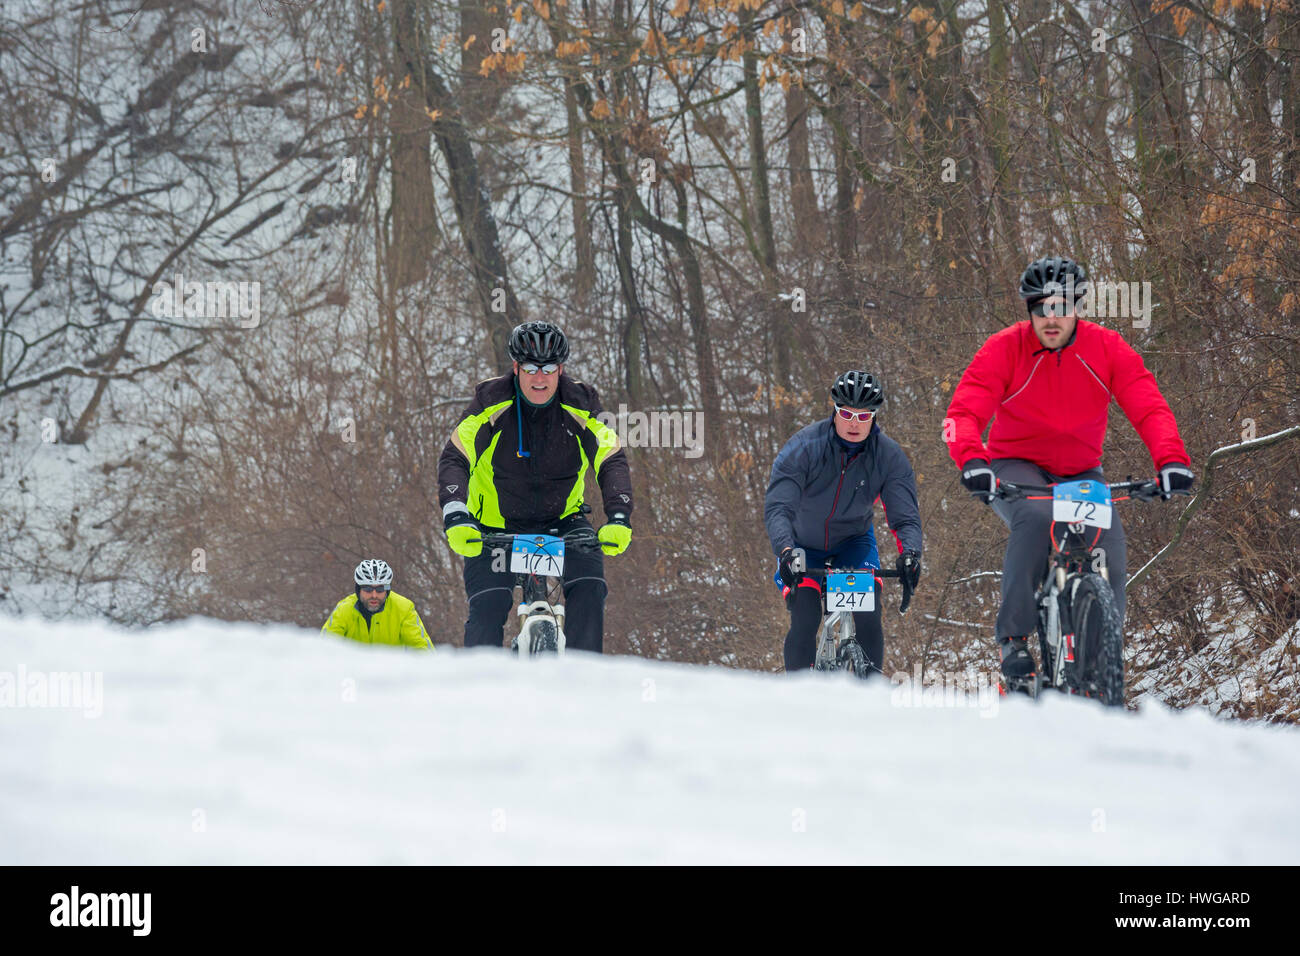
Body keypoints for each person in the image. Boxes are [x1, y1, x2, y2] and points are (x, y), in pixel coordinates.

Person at [944, 255, 1195, 680]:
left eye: (1061, 306)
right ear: (1030, 312)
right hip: (1014, 464)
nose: (1051, 318)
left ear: (1077, 306)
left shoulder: (1107, 348)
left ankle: (1103, 658)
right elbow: (963, 413)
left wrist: (1171, 461)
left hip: (1081, 472)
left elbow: (1148, 406)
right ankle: (1014, 641)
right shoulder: (1003, 348)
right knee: (1037, 517)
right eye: (1041, 308)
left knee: (1109, 550)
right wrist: (973, 461)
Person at [437, 321, 633, 653]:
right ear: (515, 368)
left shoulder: (580, 402)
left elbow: (610, 457)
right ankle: (476, 694)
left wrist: (618, 515)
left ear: (561, 369)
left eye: (548, 368)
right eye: (530, 368)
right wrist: (456, 513)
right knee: (489, 605)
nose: (539, 377)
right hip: (495, 528)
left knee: (589, 587)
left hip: (563, 523)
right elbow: (456, 457)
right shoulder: (491, 401)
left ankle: (583, 682)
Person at [764, 370, 923, 674]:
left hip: (854, 544)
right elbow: (778, 507)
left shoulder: (888, 457)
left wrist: (911, 555)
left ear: (874, 418)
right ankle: (800, 696)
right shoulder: (803, 448)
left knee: (868, 613)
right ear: (834, 411)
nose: (854, 423)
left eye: (864, 417)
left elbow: (905, 517)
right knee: (805, 616)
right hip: (802, 544)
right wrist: (785, 550)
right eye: (847, 413)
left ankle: (870, 695)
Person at [322, 558, 432, 649]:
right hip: (352, 672)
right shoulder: (344, 609)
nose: (374, 595)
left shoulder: (404, 608)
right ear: (358, 589)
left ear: (387, 590)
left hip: (393, 673)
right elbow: (325, 647)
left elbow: (422, 647)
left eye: (380, 589)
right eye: (368, 589)